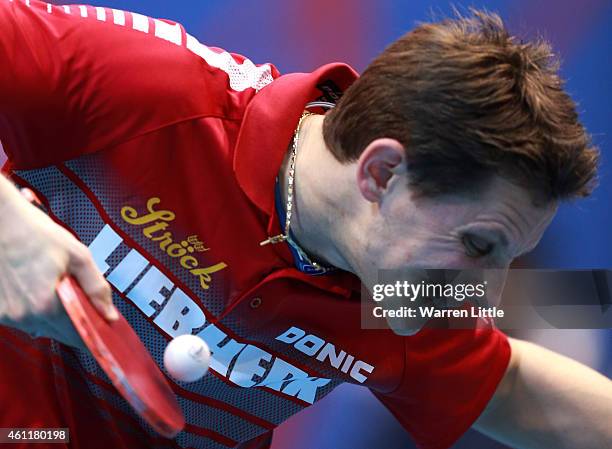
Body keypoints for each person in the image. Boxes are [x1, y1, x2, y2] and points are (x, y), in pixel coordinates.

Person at [0, 1, 610, 448]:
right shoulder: (149, 90)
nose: (487, 292)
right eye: (480, 245)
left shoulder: (397, 295)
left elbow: (510, 386)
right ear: (381, 174)